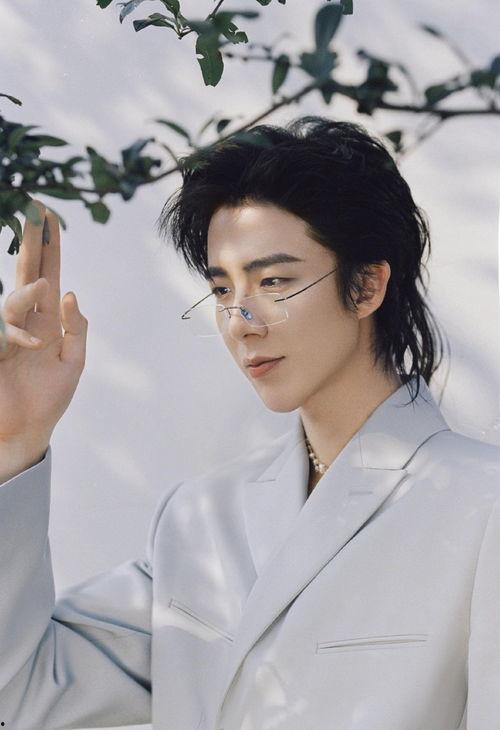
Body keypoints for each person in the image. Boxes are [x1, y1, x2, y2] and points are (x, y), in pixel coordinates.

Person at [0, 116, 498, 730]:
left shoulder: (482, 505)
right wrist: (15, 440)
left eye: (274, 281)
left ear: (367, 286)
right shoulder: (201, 519)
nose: (241, 321)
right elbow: (18, 694)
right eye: (221, 290)